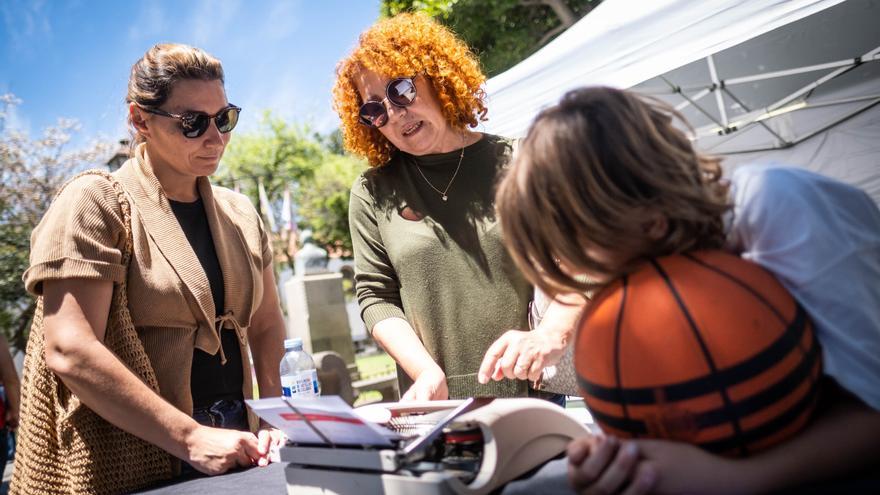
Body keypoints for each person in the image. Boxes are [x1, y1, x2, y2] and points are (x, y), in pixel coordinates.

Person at [493, 86, 880, 493]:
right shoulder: (664, 272)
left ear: (649, 218)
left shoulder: (779, 205)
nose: (574, 268)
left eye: (579, 247)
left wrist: (737, 479)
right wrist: (620, 456)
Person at [12, 43, 286, 492]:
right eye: (192, 123)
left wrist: (273, 414)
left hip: (239, 448)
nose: (215, 137)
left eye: (224, 118)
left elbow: (267, 323)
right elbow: (70, 348)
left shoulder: (240, 213)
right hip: (134, 460)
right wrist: (190, 437)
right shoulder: (95, 203)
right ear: (140, 121)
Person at [332, 13, 581, 402]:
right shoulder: (372, 192)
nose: (394, 114)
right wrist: (425, 373)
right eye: (374, 110)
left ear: (437, 76)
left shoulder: (522, 159)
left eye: (401, 90)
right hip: (435, 408)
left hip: (532, 399)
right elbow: (376, 297)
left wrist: (551, 335)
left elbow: (577, 260)